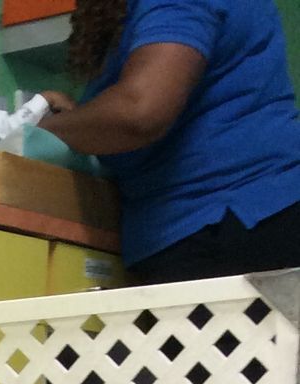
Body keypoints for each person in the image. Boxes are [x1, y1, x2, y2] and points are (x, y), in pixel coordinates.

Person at [39, 0, 300, 282]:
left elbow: (139, 111)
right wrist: (77, 118)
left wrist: (35, 131)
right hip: (224, 222)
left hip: (231, 221)